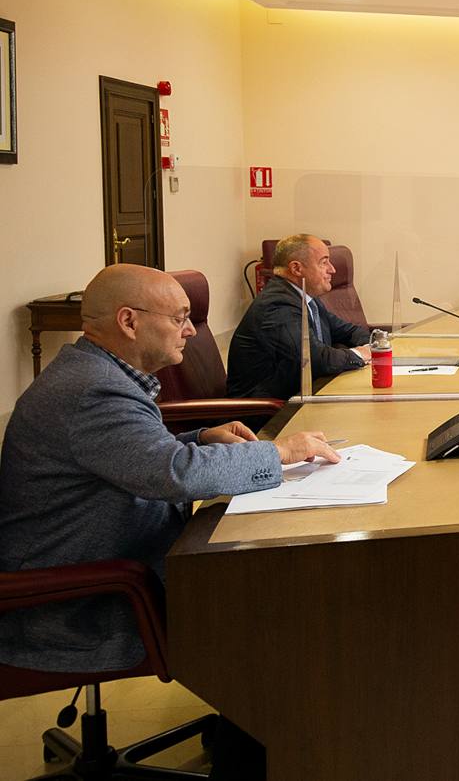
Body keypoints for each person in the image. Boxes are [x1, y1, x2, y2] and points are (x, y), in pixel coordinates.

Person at [0, 265, 339, 779]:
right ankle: (250, 759)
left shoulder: (98, 373)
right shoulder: (92, 392)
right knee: (272, 611)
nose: (190, 329)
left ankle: (248, 738)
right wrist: (280, 451)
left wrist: (200, 439)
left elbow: (134, 459)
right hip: (82, 599)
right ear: (129, 321)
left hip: (107, 559)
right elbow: (172, 475)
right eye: (180, 317)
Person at [227, 234, 372, 400]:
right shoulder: (277, 305)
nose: (332, 269)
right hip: (267, 412)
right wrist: (361, 354)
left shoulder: (307, 299)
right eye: (324, 262)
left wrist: (374, 345)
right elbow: (314, 359)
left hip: (301, 395)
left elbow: (348, 331)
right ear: (296, 268)